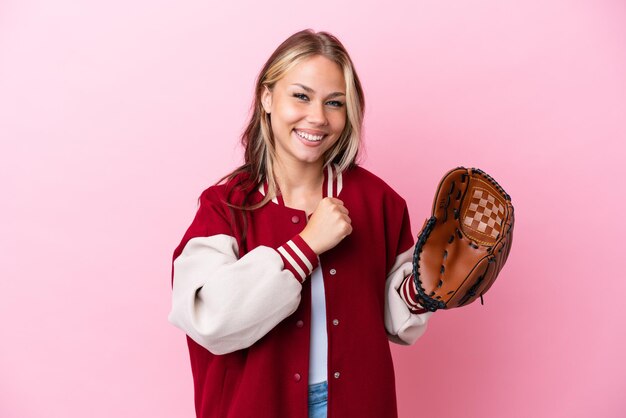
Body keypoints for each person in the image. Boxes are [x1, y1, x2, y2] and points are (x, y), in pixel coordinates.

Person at [168, 28, 433, 418]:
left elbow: (397, 322)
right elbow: (209, 319)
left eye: (335, 103)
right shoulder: (224, 205)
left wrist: (428, 285)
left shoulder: (379, 202)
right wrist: (305, 246)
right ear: (267, 97)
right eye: (301, 96)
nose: (318, 117)